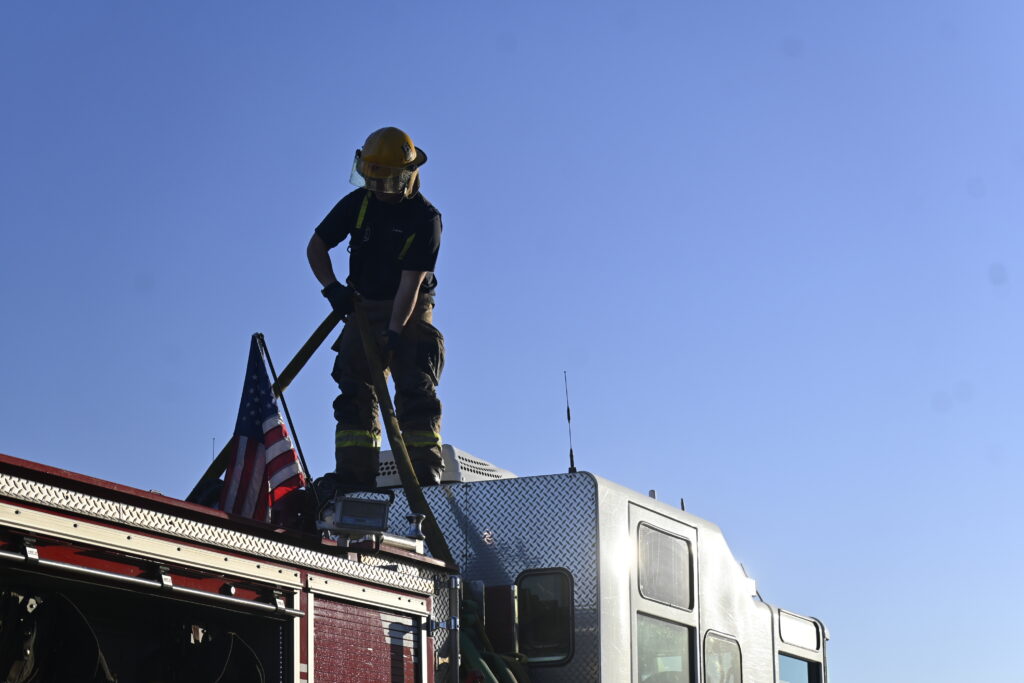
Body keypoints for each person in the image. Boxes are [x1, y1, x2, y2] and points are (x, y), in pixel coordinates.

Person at [306, 126, 445, 488]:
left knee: (414, 384)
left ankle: (424, 476)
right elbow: (316, 246)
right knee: (355, 388)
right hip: (363, 304)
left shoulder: (426, 219)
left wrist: (395, 333)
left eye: (387, 182)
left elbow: (410, 283)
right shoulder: (359, 203)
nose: (380, 189)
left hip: (410, 305)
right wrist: (332, 289)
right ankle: (355, 478)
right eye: (373, 181)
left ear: (407, 176)